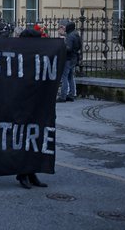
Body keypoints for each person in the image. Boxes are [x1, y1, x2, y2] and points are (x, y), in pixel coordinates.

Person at [14, 27, 49, 189]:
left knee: (35, 137)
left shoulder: (38, 54)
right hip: (20, 102)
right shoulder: (17, 54)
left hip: (36, 101)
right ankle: (23, 172)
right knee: (23, 137)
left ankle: (32, 171)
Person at [57, 19, 82, 102]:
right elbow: (79, 46)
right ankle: (72, 95)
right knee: (70, 77)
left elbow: (69, 48)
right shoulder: (76, 34)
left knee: (64, 77)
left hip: (68, 59)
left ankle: (63, 96)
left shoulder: (70, 36)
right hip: (74, 58)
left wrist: (62, 45)